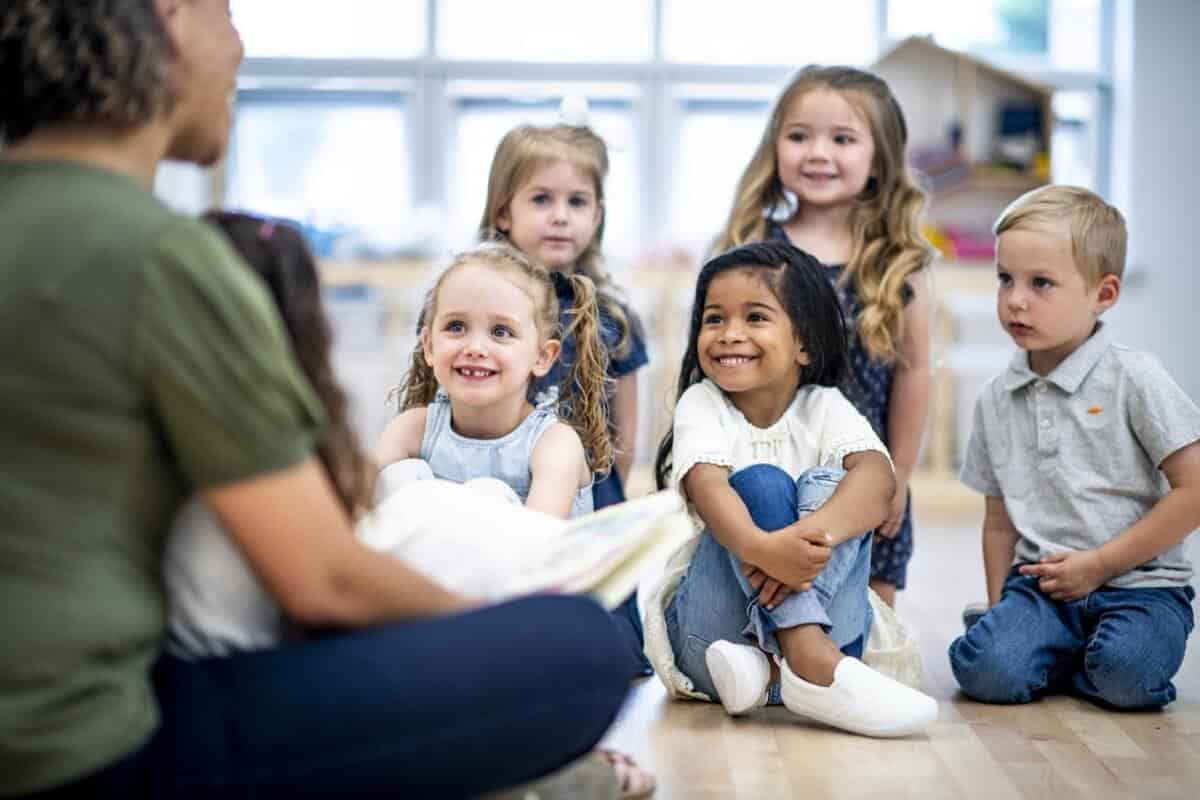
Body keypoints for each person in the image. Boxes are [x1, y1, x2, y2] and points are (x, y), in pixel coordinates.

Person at [0, 3, 637, 797]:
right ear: (166, 19)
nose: (239, 45)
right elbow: (323, 582)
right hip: (83, 745)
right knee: (582, 647)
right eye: (226, 13)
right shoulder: (161, 255)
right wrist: (486, 627)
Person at [643, 240, 937, 738]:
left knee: (837, 486)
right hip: (711, 647)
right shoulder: (703, 402)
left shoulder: (825, 405)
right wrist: (762, 548)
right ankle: (806, 655)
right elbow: (708, 487)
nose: (729, 334)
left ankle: (775, 668)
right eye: (714, 319)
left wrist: (802, 543)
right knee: (760, 482)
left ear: (804, 343)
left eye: (755, 318)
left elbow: (879, 483)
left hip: (763, 662)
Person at [949, 185, 1200, 709]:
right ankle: (1033, 642)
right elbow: (999, 523)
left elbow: (1194, 489)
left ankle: (1066, 658)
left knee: (1127, 677)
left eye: (1041, 283)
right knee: (988, 674)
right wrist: (1000, 609)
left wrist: (1101, 564)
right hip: (1041, 590)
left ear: (1103, 294)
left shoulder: (1135, 377)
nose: (1015, 299)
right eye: (1005, 279)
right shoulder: (997, 399)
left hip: (1143, 590)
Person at [714, 65, 935, 608]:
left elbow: (914, 373)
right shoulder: (746, 246)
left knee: (865, 629)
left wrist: (900, 474)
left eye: (842, 138)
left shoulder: (902, 263)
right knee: (762, 603)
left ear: (880, 157)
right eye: (799, 136)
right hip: (762, 464)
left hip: (860, 475)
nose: (818, 152)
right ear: (775, 147)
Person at [478, 120, 653, 671]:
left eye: (577, 201)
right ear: (504, 212)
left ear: (596, 215)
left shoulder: (613, 316)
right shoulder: (476, 302)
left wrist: (605, 485)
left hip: (595, 494)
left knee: (607, 643)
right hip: (496, 483)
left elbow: (625, 427)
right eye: (541, 199)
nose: (560, 215)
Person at [378, 243, 610, 520]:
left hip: (530, 559)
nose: (475, 347)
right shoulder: (411, 429)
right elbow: (356, 510)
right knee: (398, 477)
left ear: (542, 356)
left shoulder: (554, 444)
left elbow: (538, 544)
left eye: (501, 331)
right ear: (429, 346)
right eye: (456, 327)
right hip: (430, 559)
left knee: (489, 495)